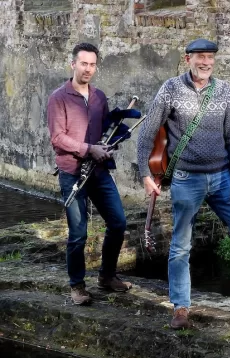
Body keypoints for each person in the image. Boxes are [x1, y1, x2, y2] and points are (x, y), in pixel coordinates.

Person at [137, 38, 230, 329]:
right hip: (187, 179)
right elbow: (147, 133)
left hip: (223, 178)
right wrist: (145, 175)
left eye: (210, 57)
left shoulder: (223, 91)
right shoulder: (171, 89)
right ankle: (181, 307)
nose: (206, 62)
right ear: (188, 59)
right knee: (181, 246)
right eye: (200, 56)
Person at [47, 43, 132, 306]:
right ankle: (77, 286)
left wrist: (113, 137)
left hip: (98, 172)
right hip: (72, 173)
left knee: (118, 222)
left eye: (92, 64)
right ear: (72, 64)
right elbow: (58, 138)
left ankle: (107, 276)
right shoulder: (58, 98)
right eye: (83, 63)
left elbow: (103, 128)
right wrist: (88, 149)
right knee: (78, 233)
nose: (88, 69)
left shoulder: (99, 97)